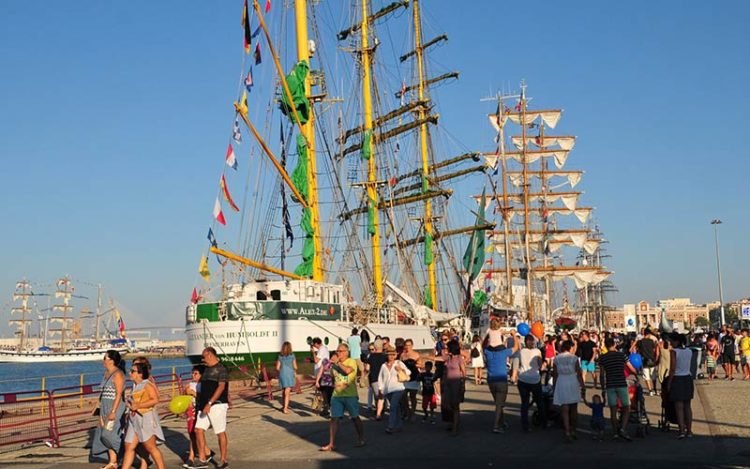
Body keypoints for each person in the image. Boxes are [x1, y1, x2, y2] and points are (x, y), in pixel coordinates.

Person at [320, 343, 365, 451]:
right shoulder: (335, 364)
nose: (338, 353)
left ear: (346, 352)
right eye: (337, 351)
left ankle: (361, 438)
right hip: (337, 395)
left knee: (355, 418)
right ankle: (331, 443)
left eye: (340, 351)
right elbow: (332, 376)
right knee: (334, 419)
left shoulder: (352, 361)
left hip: (350, 395)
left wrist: (338, 362)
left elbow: (348, 371)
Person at [121, 362, 165, 469]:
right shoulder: (135, 386)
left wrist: (138, 405)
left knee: (150, 446)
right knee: (129, 445)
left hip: (145, 418)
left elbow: (155, 399)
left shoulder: (147, 384)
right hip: (133, 419)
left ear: (140, 373)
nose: (129, 373)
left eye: (132, 371)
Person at [193, 347, 229, 469]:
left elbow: (221, 387)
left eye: (203, 356)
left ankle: (223, 460)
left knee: (219, 431)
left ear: (209, 355)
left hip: (217, 404)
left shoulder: (221, 369)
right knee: (198, 429)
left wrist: (210, 403)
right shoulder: (206, 369)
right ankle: (202, 459)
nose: (202, 359)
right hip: (204, 405)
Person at [90, 350, 126, 469]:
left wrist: (113, 412)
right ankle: (113, 462)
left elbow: (119, 394)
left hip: (114, 407)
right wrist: (98, 407)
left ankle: (126, 449)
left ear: (111, 360)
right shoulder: (106, 374)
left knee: (108, 434)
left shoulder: (118, 374)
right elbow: (103, 392)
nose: (103, 360)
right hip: (105, 406)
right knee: (103, 434)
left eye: (105, 358)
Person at [598, 337, 636, 441]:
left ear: (605, 346)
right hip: (621, 384)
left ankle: (615, 432)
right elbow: (631, 368)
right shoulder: (622, 355)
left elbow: (601, 375)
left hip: (610, 385)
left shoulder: (602, 358)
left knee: (613, 410)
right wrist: (636, 372)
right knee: (627, 407)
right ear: (614, 345)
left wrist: (602, 388)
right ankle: (623, 428)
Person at [483, 328, 518, 434]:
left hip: (491, 379)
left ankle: (501, 422)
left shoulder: (487, 351)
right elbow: (516, 347)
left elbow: (483, 344)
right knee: (499, 404)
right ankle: (496, 425)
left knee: (498, 402)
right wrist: (513, 335)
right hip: (501, 380)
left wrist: (489, 335)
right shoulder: (504, 352)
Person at [553, 340, 584, 442]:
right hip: (572, 381)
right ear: (570, 347)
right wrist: (582, 385)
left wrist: (554, 387)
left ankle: (567, 431)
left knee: (564, 409)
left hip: (561, 381)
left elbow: (555, 374)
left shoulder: (556, 358)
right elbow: (579, 373)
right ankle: (573, 430)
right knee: (574, 408)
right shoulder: (574, 358)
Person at [667, 332, 694, 439]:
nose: (670, 343)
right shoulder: (689, 351)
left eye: (671, 341)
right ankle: (690, 430)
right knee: (687, 406)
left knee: (679, 407)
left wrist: (669, 383)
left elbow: (672, 369)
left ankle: (682, 430)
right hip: (687, 377)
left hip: (678, 378)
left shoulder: (674, 352)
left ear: (676, 341)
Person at [378, 344, 410, 433]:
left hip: (398, 388)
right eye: (389, 354)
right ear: (386, 355)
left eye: (393, 354)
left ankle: (390, 426)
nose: (391, 356)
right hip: (387, 390)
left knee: (393, 407)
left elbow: (408, 372)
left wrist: (401, 369)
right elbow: (380, 378)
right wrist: (380, 389)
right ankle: (399, 425)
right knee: (396, 408)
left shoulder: (398, 363)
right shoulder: (383, 366)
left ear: (395, 355)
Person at [518, 334, 546, 432]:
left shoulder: (521, 351)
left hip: (522, 378)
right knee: (539, 401)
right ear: (533, 342)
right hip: (534, 379)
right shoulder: (537, 351)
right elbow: (540, 365)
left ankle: (525, 425)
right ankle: (543, 422)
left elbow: (519, 363)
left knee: (524, 403)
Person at [184, 365, 209, 469]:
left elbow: (204, 398)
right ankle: (207, 452)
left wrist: (193, 393)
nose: (193, 375)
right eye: (192, 373)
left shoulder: (203, 385)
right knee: (191, 433)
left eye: (195, 373)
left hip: (198, 411)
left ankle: (192, 456)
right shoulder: (190, 384)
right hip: (190, 411)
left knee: (196, 432)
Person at [441, 339, 466, 436]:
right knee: (448, 405)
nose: (447, 349)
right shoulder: (448, 358)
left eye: (448, 347)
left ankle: (455, 428)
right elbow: (438, 358)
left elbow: (464, 372)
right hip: (447, 384)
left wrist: (463, 385)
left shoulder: (459, 358)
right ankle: (454, 423)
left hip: (456, 384)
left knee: (455, 406)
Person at [399, 338, 421, 421]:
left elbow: (421, 365)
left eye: (409, 345)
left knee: (412, 396)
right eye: (406, 345)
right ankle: (407, 411)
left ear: (412, 346)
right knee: (403, 395)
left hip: (414, 377)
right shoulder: (402, 355)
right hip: (405, 378)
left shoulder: (416, 354)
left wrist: (414, 364)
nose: (407, 347)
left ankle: (413, 413)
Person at [364, 341, 387, 419]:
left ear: (375, 347)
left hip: (374, 378)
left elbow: (367, 368)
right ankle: (383, 409)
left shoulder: (371, 356)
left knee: (377, 397)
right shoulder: (385, 356)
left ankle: (378, 412)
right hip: (384, 378)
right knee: (384, 395)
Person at [276, 341, 298, 414]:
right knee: (287, 392)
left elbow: (277, 367)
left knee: (283, 391)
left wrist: (283, 369)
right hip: (289, 373)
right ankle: (285, 408)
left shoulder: (280, 356)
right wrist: (293, 369)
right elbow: (295, 366)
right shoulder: (292, 355)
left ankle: (283, 406)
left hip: (282, 373)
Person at [636, 328, 659, 395]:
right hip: (652, 360)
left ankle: (650, 391)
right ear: (648, 334)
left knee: (647, 377)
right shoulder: (651, 341)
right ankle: (654, 389)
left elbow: (638, 350)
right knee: (653, 376)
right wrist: (656, 358)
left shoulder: (640, 342)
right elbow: (655, 350)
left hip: (644, 360)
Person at [315, 351, 337, 417]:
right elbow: (320, 371)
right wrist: (317, 381)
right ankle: (326, 410)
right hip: (324, 382)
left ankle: (331, 412)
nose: (336, 357)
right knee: (325, 398)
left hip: (332, 383)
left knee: (331, 398)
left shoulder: (337, 363)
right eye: (335, 356)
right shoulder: (325, 361)